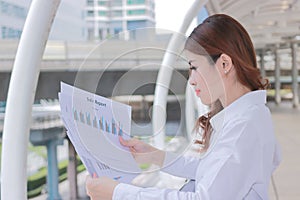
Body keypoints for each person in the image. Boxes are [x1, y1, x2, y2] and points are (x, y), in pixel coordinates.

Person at [86, 14, 281, 200]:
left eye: (194, 67)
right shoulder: (246, 116)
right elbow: (210, 170)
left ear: (224, 64)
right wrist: (155, 155)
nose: (191, 80)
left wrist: (118, 194)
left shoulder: (243, 127)